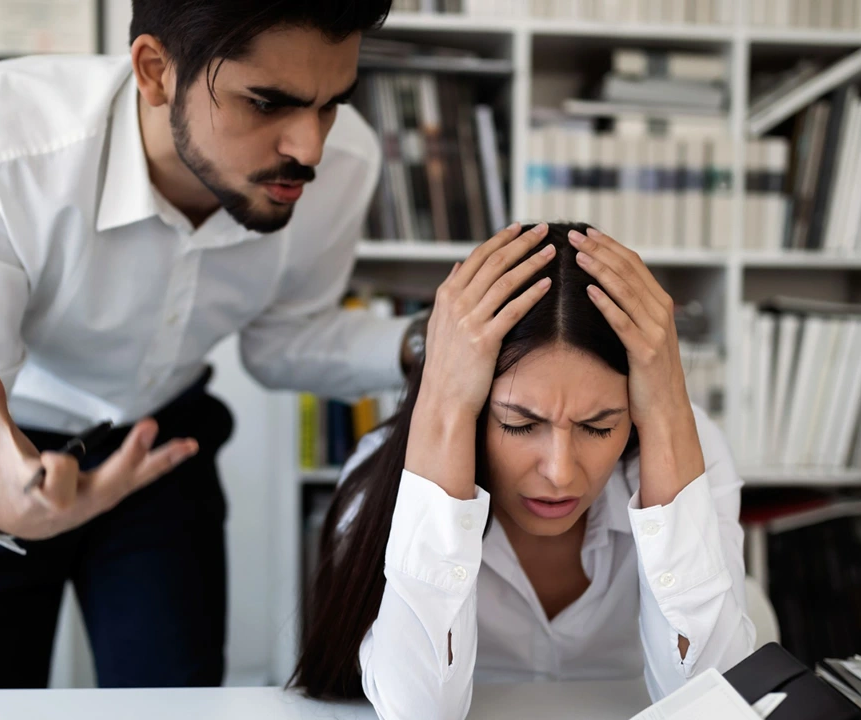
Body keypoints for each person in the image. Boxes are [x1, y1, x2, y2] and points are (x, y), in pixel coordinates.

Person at [0, 0, 418, 689]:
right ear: (155, 70)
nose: (309, 147)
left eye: (331, 105)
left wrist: (426, 342)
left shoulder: (346, 162)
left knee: (173, 702)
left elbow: (284, 339)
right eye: (266, 103)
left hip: (159, 445)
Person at [291, 222, 756, 717]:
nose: (560, 472)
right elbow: (418, 711)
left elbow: (716, 706)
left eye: (599, 427)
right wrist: (444, 407)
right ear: (470, 407)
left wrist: (666, 412)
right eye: (518, 423)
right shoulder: (379, 474)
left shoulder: (685, 444)